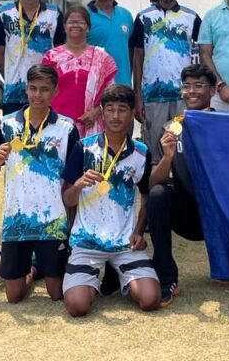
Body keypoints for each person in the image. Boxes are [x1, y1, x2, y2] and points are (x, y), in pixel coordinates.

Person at [62, 84, 160, 316]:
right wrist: (79, 185)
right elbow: (67, 199)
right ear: (102, 112)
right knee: (77, 306)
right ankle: (94, 279)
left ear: (132, 113)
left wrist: (139, 231)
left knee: (150, 299)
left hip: (125, 245)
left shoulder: (141, 152)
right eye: (110, 109)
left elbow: (146, 196)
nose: (116, 116)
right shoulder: (83, 148)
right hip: (87, 243)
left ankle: (117, 273)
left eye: (122, 109)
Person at [0, 64, 78, 303]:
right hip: (16, 218)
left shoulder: (67, 128)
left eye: (45, 89)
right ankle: (31, 270)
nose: (38, 95)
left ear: (55, 91)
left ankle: (37, 267)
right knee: (14, 296)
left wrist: (71, 223)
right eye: (33, 88)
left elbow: (72, 182)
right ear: (26, 89)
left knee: (56, 294)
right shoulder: (7, 124)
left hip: (52, 220)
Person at [147, 64, 214, 308]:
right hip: (189, 216)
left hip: (220, 215)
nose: (191, 91)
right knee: (158, 195)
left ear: (213, 90)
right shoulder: (170, 129)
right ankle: (166, 277)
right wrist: (167, 157)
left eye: (199, 85)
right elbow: (153, 181)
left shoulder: (226, 125)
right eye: (187, 86)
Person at [130, 0, 201, 163]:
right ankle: (155, 181)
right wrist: (137, 95)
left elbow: (205, 50)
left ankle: (182, 181)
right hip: (153, 93)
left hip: (184, 94)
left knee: (183, 146)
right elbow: (138, 56)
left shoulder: (191, 17)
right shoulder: (144, 17)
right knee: (154, 148)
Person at [0, 0, 66, 116]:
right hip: (14, 92)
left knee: (46, 129)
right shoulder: (3, 14)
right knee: (14, 130)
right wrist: (10, 76)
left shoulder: (54, 13)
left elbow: (60, 51)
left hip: (45, 92)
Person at [42, 5, 117, 138]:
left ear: (88, 28)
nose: (76, 25)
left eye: (81, 22)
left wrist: (97, 111)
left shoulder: (101, 57)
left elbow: (112, 93)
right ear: (64, 27)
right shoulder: (51, 56)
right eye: (71, 22)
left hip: (91, 124)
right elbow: (43, 90)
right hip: (58, 123)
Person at [86, 0, 135, 87]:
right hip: (94, 87)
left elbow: (131, 49)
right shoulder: (84, 15)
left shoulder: (126, 15)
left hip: (123, 86)